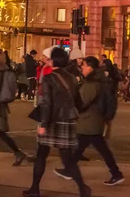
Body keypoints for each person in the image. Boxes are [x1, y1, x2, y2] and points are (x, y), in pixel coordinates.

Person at [24, 48, 91, 197]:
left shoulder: (49, 78)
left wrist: (43, 124)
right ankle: (82, 188)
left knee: (41, 154)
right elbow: (78, 102)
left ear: (54, 60)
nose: (47, 61)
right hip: (67, 121)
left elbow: (47, 104)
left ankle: (35, 188)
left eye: (50, 58)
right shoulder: (72, 78)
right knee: (67, 159)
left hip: (52, 120)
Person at [54, 56, 124, 186]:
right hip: (91, 120)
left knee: (96, 147)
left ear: (90, 68)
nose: (82, 68)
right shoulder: (97, 81)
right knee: (84, 147)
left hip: (90, 120)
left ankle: (116, 173)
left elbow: (82, 101)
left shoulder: (92, 83)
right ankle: (70, 170)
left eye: (84, 65)